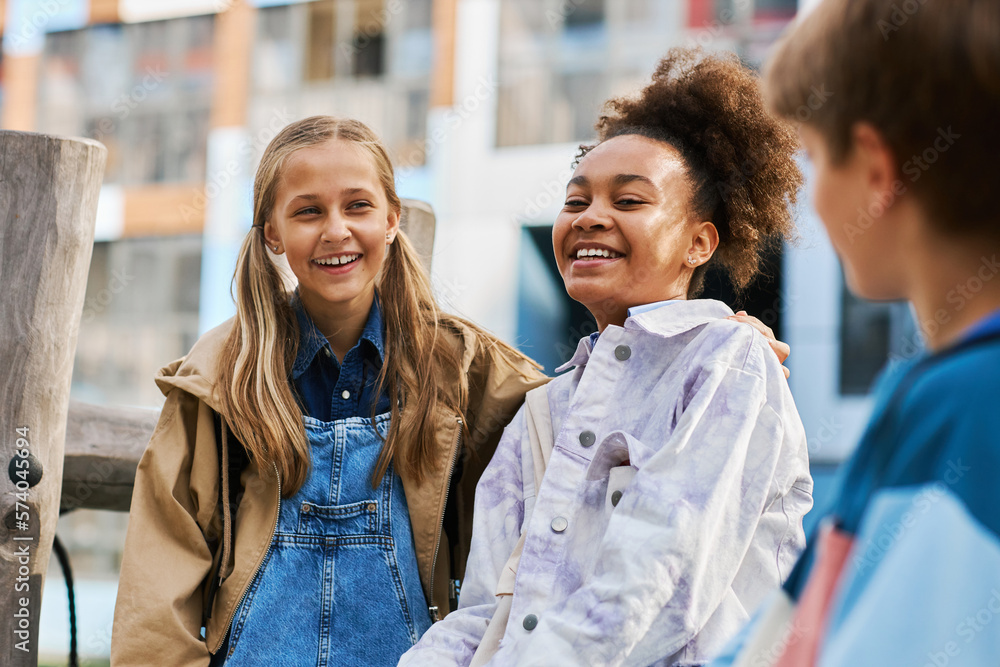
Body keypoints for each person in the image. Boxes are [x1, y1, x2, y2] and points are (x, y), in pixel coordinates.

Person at [400, 48, 813, 667]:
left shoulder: (729, 361)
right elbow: (488, 614)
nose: (591, 218)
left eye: (629, 202)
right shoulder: (541, 412)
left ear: (699, 243)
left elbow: (662, 577)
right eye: (575, 202)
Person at [110, 116, 548, 666]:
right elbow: (158, 584)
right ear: (272, 231)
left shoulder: (460, 370)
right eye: (308, 210)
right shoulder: (222, 376)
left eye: (357, 206)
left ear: (392, 219)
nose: (335, 230)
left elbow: (565, 451)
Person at [710, 1, 1000, 665]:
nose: (809, 198)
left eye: (812, 155)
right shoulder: (940, 391)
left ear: (875, 172)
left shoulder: (963, 407)